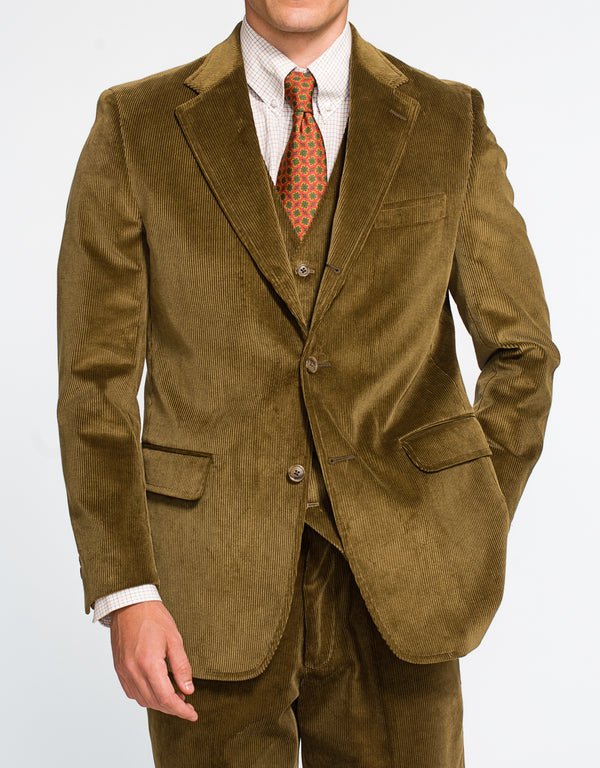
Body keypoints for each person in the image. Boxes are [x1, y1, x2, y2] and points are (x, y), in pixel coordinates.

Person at [56, 1, 560, 765]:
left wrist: (466, 508)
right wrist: (126, 588)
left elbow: (522, 352)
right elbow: (94, 381)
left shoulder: (448, 120)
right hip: (205, 583)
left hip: (405, 576)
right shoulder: (136, 124)